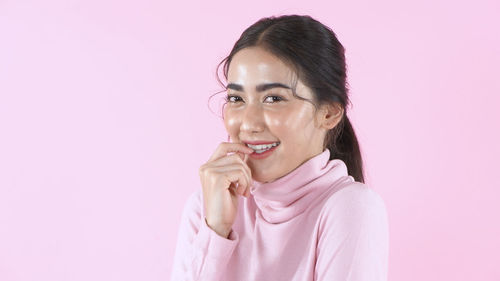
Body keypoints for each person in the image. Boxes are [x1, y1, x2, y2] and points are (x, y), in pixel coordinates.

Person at [170, 14, 389, 281]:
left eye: (273, 98)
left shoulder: (351, 207)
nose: (248, 123)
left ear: (329, 113)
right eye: (236, 98)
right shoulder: (206, 208)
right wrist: (215, 232)